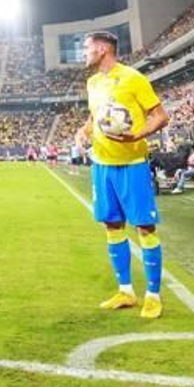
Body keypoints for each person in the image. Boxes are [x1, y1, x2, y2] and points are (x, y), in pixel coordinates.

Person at [73, 30, 170, 317]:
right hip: (102, 165)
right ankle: (126, 291)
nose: (84, 53)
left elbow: (161, 116)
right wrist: (83, 131)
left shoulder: (133, 78)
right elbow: (96, 117)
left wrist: (137, 134)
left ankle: (153, 295)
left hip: (132, 163)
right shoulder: (92, 82)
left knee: (144, 228)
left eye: (87, 48)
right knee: (112, 226)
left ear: (102, 49)